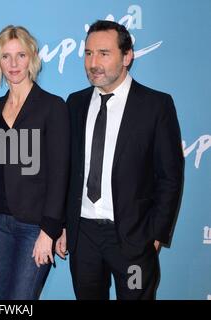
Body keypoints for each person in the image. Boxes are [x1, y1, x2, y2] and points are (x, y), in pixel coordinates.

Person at [55, 20, 184, 300]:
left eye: (104, 53)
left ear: (127, 56)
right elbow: (68, 171)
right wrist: (65, 225)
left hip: (133, 239)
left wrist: (155, 234)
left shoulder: (155, 106)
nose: (93, 62)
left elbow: (170, 176)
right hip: (84, 236)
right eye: (88, 53)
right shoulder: (74, 103)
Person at [0, 25, 70, 300]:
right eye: (6, 56)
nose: (13, 64)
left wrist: (49, 231)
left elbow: (59, 173)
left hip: (34, 227)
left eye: (20, 55)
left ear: (33, 57)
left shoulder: (53, 106)